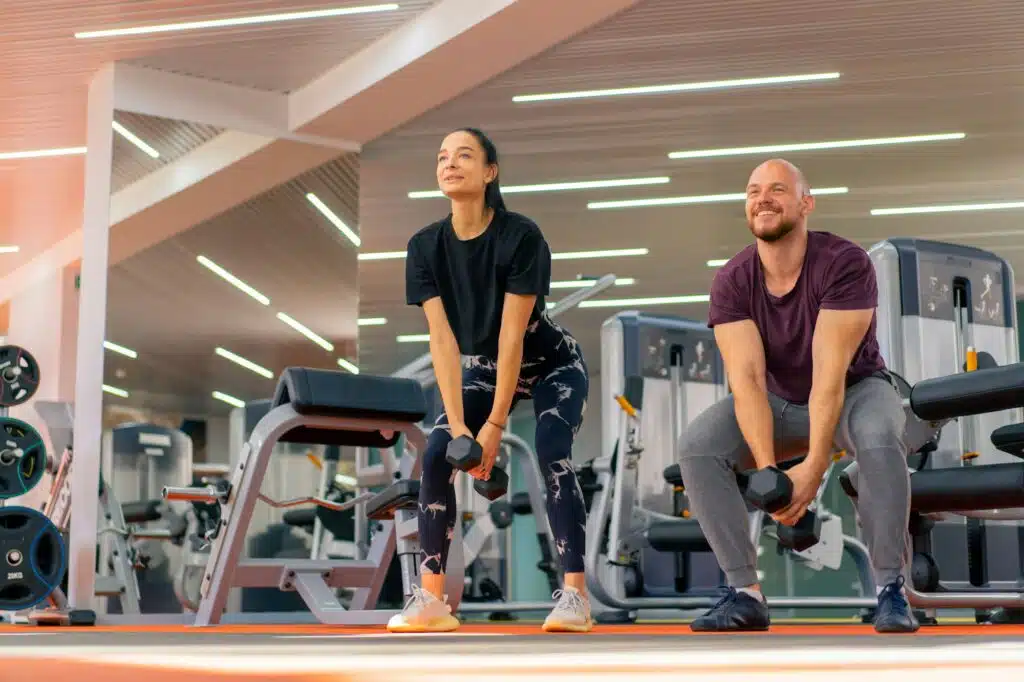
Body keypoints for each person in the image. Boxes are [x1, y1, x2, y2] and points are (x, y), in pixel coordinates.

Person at [677, 158, 917, 634]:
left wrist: (813, 468)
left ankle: (892, 589)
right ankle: (744, 594)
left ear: (806, 204)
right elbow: (746, 381)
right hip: (778, 402)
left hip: (856, 391)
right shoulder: (733, 279)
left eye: (777, 190)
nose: (763, 198)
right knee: (699, 447)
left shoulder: (844, 263)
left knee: (876, 438)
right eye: (753, 191)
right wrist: (770, 477)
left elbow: (828, 374)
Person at [387, 127, 592, 634]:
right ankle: (432, 598)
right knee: (435, 456)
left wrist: (493, 429)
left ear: (490, 172)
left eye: (463, 155)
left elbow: (511, 338)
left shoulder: (520, 237)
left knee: (551, 450)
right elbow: (442, 341)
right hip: (479, 369)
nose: (449, 163)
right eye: (441, 157)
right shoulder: (424, 247)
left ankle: (575, 596)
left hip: (549, 365)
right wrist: (459, 428)